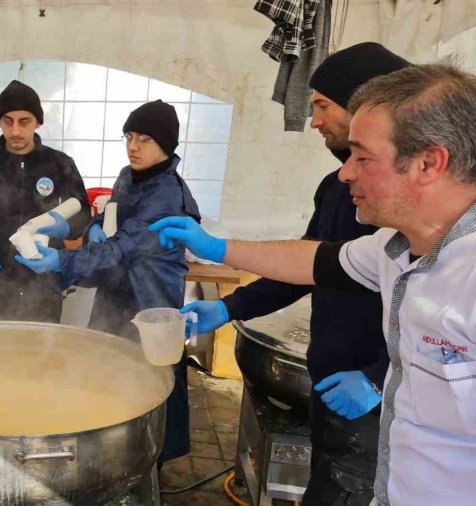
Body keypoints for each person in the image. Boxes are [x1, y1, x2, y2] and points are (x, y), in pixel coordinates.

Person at [150, 63, 476, 505]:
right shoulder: (393, 248)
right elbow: (313, 259)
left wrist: (376, 378)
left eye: (363, 158)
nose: (346, 173)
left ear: (428, 163)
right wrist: (216, 249)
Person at [181, 43, 407, 505]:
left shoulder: (416, 212)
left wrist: (378, 378)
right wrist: (228, 305)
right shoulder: (337, 187)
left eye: (322, 105)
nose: (313, 120)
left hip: (385, 410)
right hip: (333, 390)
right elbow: (309, 266)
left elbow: (445, 326)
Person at [16, 100, 200, 466]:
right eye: (129, 136)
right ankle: (108, 458)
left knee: (149, 396)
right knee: (104, 380)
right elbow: (111, 223)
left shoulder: (166, 197)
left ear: (167, 145)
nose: (133, 146)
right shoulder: (128, 175)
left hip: (149, 305)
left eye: (144, 139)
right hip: (115, 298)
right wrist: (86, 226)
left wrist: (61, 262)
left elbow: (122, 248)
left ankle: (147, 469)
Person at [0, 80, 90, 323]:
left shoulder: (60, 164)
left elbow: (83, 215)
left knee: (41, 355)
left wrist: (66, 228)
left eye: (24, 121)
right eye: (8, 121)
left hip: (45, 284)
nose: (15, 131)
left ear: (38, 122)